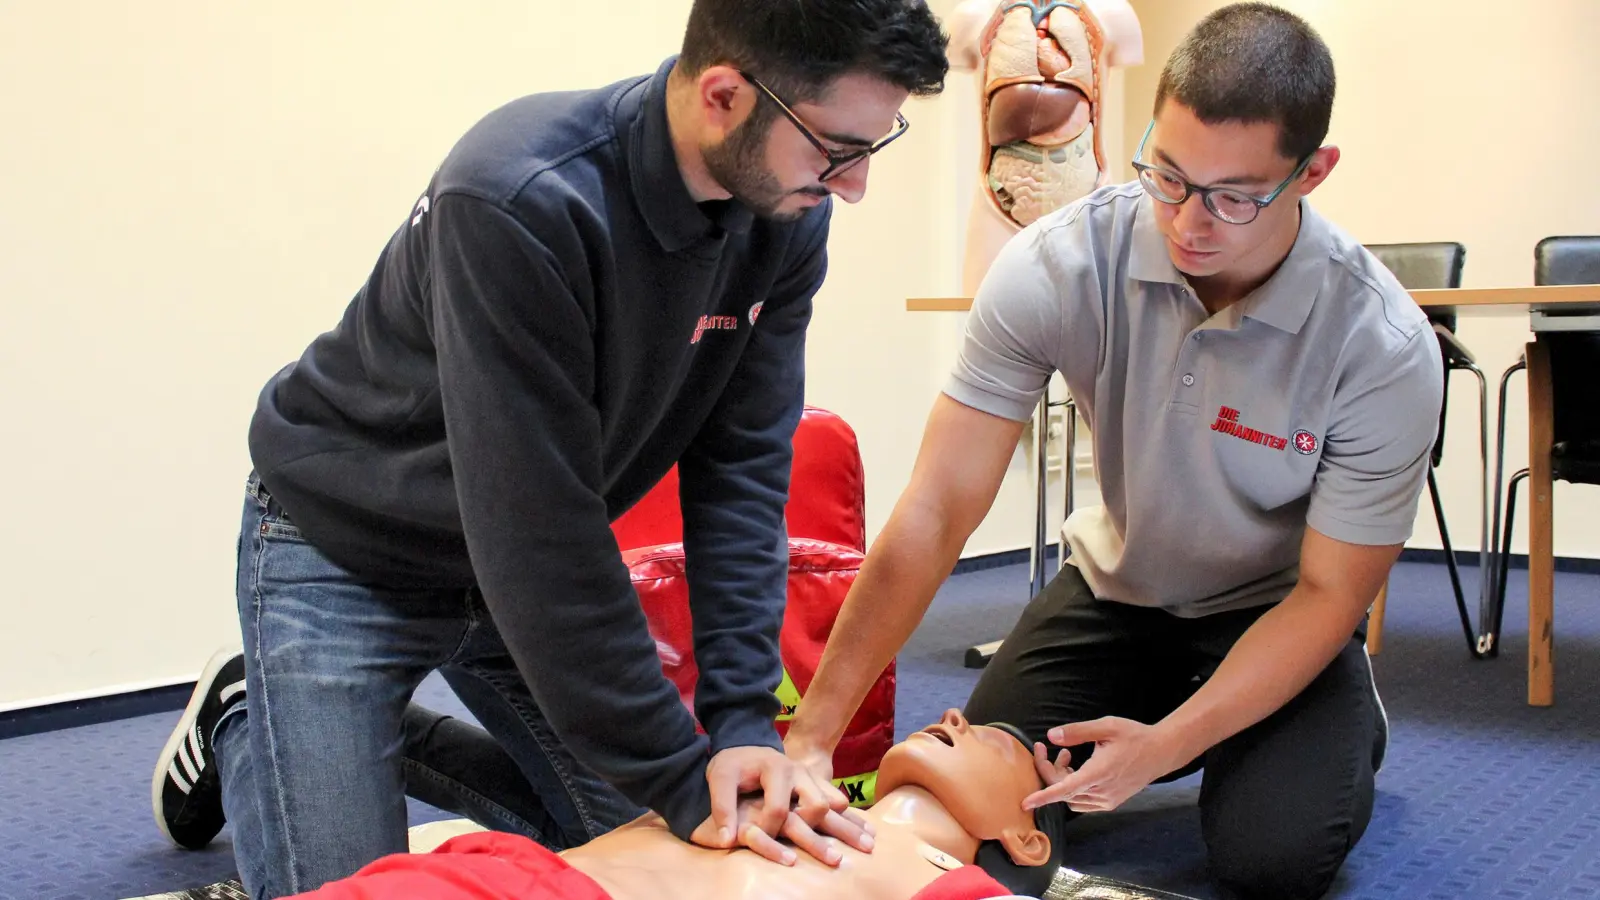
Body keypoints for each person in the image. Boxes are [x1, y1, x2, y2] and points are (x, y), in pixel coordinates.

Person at [149, 3, 950, 898]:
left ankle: (344, 730)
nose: (852, 188)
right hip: (346, 547)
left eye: (871, 150)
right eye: (836, 150)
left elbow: (743, 472)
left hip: (522, 555)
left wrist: (739, 728)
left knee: (655, 854)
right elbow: (539, 539)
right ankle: (255, 717)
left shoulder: (786, 217)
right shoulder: (519, 197)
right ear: (725, 95)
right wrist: (685, 784)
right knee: (360, 890)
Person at [783, 4, 1444, 899]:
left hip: (1276, 613)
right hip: (1119, 592)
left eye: (1234, 195)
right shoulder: (1058, 265)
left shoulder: (1383, 345)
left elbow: (1332, 592)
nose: (1189, 222)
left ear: (1312, 172)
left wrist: (1166, 746)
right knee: (976, 807)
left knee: (1272, 859)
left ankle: (1337, 713)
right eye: (1167, 175)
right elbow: (938, 507)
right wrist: (816, 732)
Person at [284, 709, 1073, 900]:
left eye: (995, 743)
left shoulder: (951, 880)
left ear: (1027, 841)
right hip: (506, 875)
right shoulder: (788, 782)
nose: (956, 716)